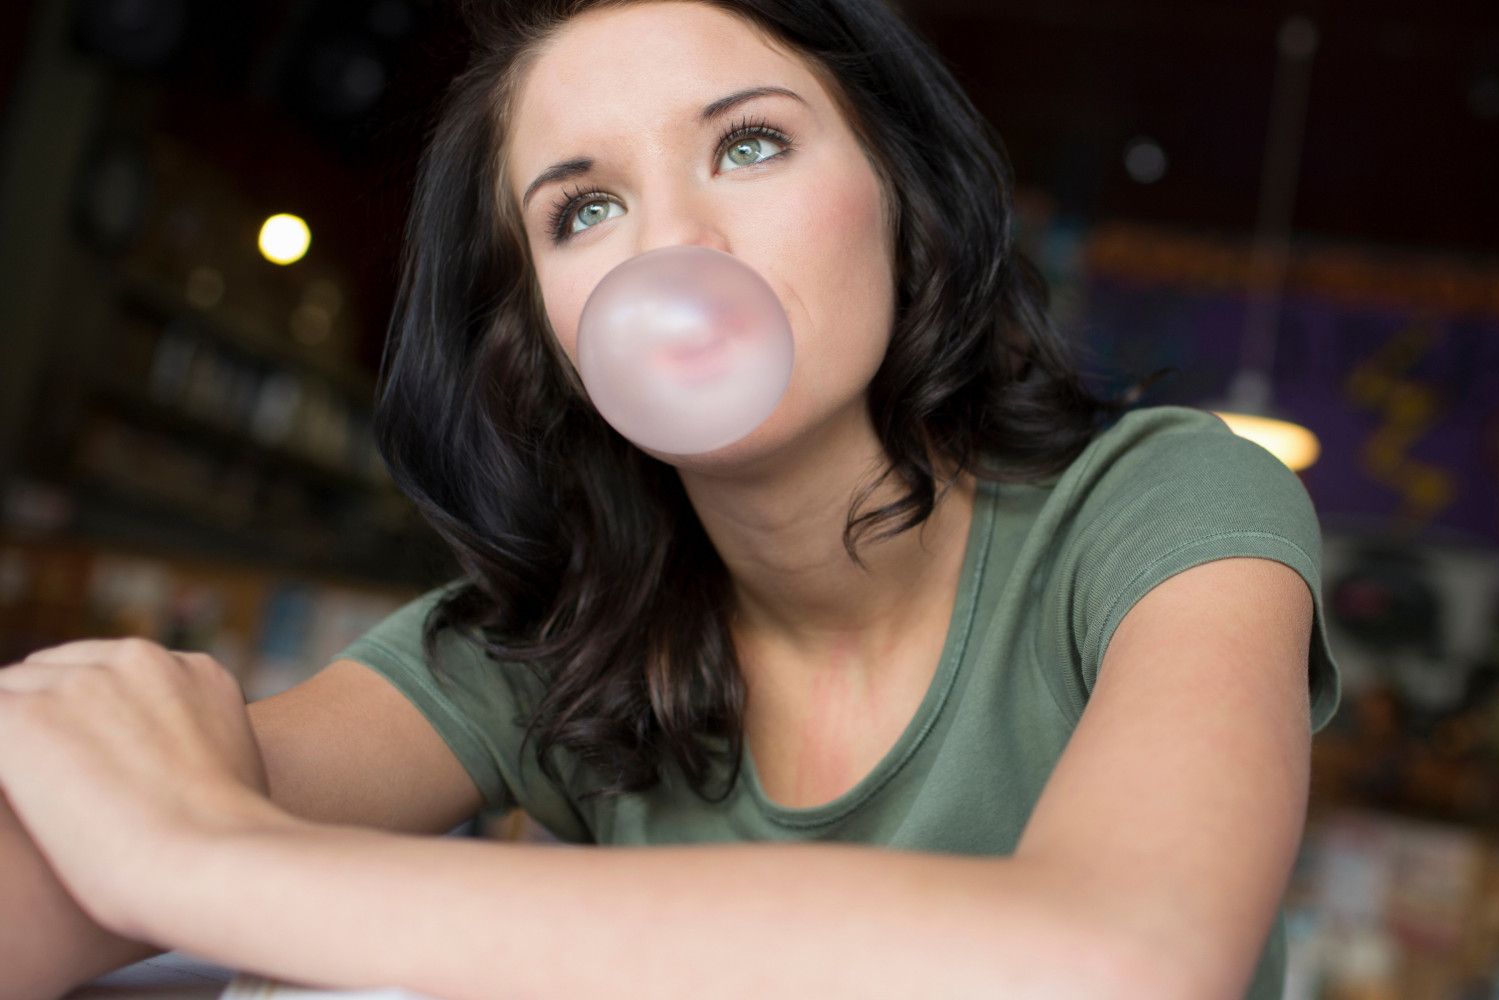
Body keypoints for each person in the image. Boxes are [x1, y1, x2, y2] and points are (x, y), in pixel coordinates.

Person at [0, 0, 1341, 996]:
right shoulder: (543, 653)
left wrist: (200, 860)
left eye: (750, 144)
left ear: (901, 196)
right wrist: (113, 785)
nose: (674, 245)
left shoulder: (1161, 505)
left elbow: (1124, 959)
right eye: (582, 212)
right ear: (545, 337)